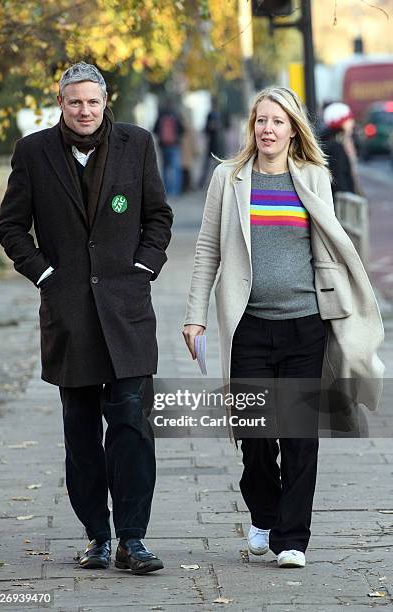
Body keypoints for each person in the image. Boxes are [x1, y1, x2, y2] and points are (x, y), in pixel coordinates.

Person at [183, 87, 384, 568]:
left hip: (304, 327)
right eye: (260, 121)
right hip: (248, 326)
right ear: (251, 127)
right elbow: (207, 248)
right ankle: (264, 514)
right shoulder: (228, 179)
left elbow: (330, 247)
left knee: (298, 438)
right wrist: (195, 315)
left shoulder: (314, 176)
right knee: (254, 439)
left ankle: (291, 539)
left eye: (277, 121)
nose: (267, 129)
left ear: (294, 128)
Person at [0, 62, 173, 574]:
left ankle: (133, 539)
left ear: (104, 100)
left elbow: (158, 216)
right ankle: (97, 536)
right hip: (69, 317)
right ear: (61, 103)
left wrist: (145, 267)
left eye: (92, 101)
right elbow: (11, 227)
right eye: (75, 102)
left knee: (133, 429)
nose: (85, 110)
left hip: (127, 312)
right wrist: (45, 275)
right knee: (80, 434)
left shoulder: (137, 144)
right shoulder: (33, 152)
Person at [321, 102, 361, 195]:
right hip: (343, 202)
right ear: (340, 122)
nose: (352, 122)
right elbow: (339, 177)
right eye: (349, 119)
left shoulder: (344, 141)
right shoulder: (336, 147)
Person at [153, 98, 184, 196]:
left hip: (163, 146)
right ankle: (175, 191)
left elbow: (155, 129)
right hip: (174, 145)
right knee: (175, 169)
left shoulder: (161, 115)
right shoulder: (176, 115)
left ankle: (165, 191)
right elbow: (183, 129)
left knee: (165, 169)